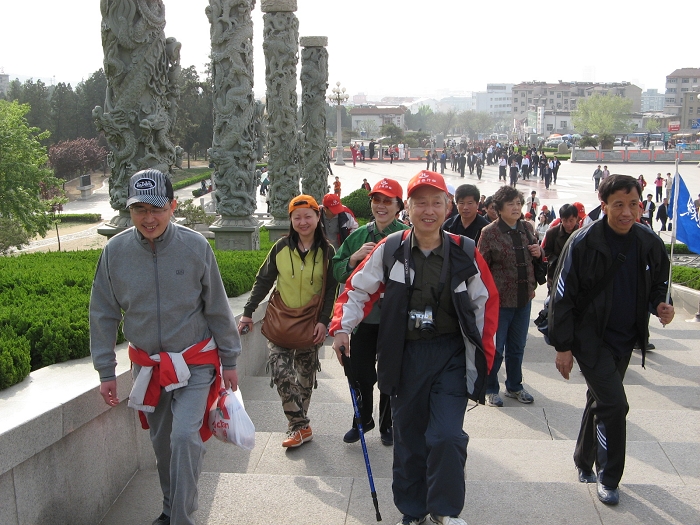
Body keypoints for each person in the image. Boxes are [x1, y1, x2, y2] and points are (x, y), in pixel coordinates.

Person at [330, 170, 498, 525]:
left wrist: (483, 361)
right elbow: (357, 289)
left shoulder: (464, 251)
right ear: (407, 207)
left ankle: (445, 509)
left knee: (447, 436)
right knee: (409, 438)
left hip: (450, 356)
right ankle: (413, 508)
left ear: (447, 206)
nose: (428, 210)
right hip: (404, 356)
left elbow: (486, 304)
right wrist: (342, 329)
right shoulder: (390, 249)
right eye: (420, 202)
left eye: (436, 202)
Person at [89, 169, 242, 525]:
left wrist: (230, 360)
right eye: (139, 209)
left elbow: (218, 308)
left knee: (185, 437)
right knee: (162, 445)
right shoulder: (115, 251)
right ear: (130, 212)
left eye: (156, 208)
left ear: (173, 206)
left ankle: (181, 519)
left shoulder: (195, 246)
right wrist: (105, 370)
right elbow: (102, 312)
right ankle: (171, 505)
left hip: (195, 362)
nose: (149, 217)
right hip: (149, 368)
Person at [550, 175, 675, 506]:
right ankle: (609, 476)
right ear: (603, 205)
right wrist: (563, 345)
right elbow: (561, 297)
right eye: (618, 205)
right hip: (589, 338)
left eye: (633, 204)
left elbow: (661, 279)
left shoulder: (648, 241)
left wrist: (662, 304)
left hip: (625, 338)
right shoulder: (583, 242)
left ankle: (582, 458)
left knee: (601, 400)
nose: (626, 212)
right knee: (615, 405)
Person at [238, 195, 338, 448]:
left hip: (310, 322)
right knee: (281, 371)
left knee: (305, 379)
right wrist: (248, 312)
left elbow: (330, 291)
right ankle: (299, 426)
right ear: (291, 221)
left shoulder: (328, 251)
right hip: (280, 320)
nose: (303, 222)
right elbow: (264, 280)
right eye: (297, 217)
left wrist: (324, 321)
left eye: (308, 216)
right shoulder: (281, 247)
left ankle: (299, 428)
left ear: (318, 217)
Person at [332, 178, 409, 447]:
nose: (381, 206)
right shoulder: (359, 236)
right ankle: (362, 419)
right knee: (360, 373)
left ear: (399, 206)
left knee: (390, 376)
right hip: (363, 321)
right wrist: (353, 259)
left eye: (388, 201)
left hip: (394, 320)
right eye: (376, 200)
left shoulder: (407, 237)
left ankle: (387, 423)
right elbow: (337, 268)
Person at [478, 185, 542, 407]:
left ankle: (515, 386)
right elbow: (481, 268)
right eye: (510, 204)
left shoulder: (526, 228)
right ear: (498, 208)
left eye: (518, 203)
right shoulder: (489, 233)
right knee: (496, 349)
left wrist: (539, 252)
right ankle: (490, 388)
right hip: (499, 302)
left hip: (524, 299)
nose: (516, 208)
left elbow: (533, 258)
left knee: (517, 347)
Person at [543, 204, 579, 288]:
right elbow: (546, 251)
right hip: (555, 275)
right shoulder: (552, 233)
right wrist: (559, 260)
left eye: (571, 220)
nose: (568, 224)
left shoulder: (581, 233)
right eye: (565, 220)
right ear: (560, 219)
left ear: (576, 218)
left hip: (575, 276)